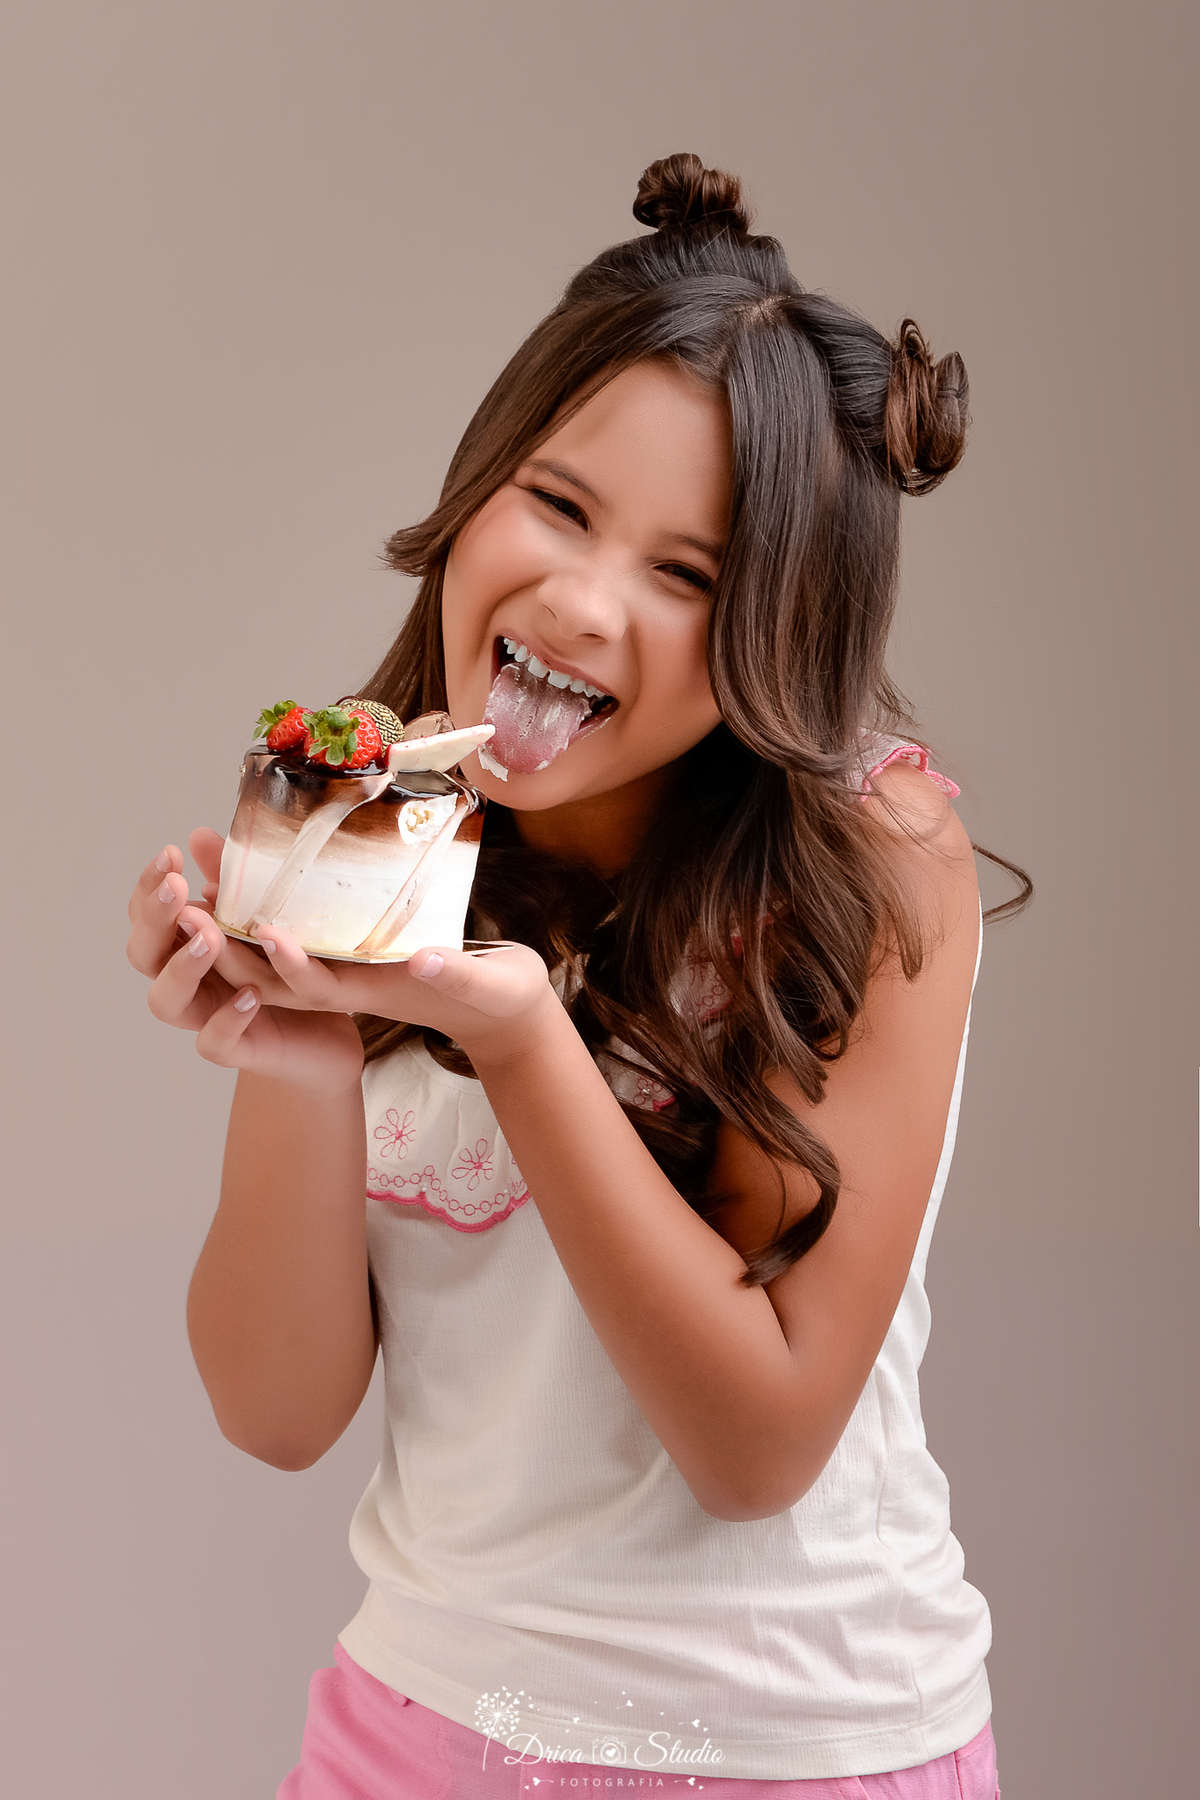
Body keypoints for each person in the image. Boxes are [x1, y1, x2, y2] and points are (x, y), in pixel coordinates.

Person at [128, 154, 1024, 1798]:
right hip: (414, 1736)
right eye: (559, 502)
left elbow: (757, 1445)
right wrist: (297, 1048)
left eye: (690, 578)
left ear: (779, 626)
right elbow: (274, 1412)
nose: (584, 603)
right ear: (479, 484)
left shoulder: (870, 853)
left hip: (791, 1756)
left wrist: (526, 1036)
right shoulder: (372, 812)